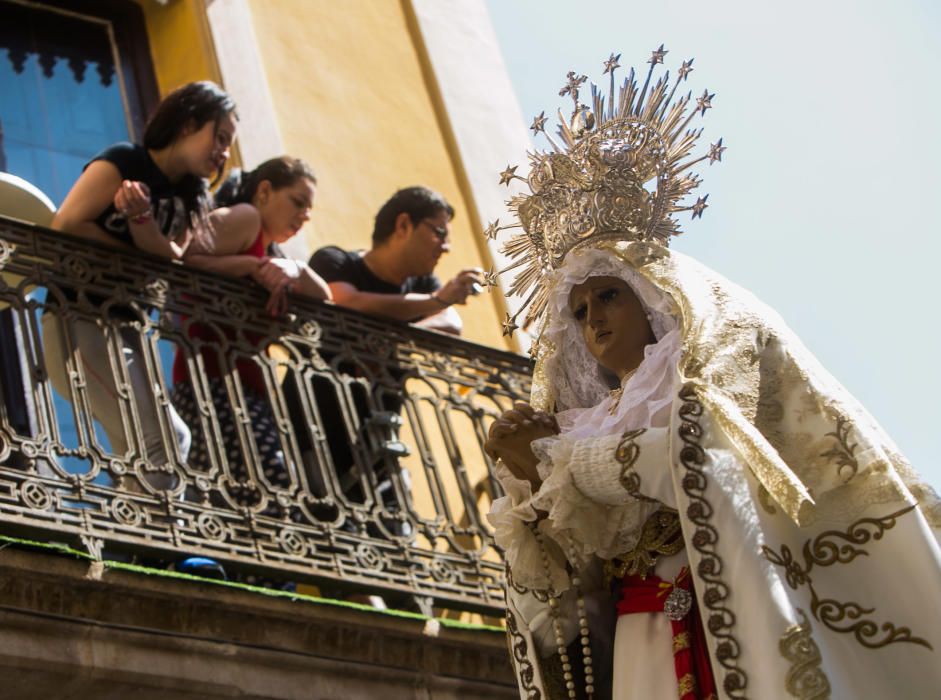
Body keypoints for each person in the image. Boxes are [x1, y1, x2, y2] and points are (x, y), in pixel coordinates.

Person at [485, 50, 941, 700]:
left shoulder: (708, 366)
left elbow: (701, 460)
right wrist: (528, 483)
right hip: (644, 630)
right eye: (580, 311)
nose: (592, 321)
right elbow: (576, 558)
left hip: (727, 602)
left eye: (608, 297)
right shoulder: (590, 423)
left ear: (649, 296)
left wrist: (555, 458)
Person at [44, 80, 238, 490]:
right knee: (155, 442)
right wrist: (135, 247)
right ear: (188, 124)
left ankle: (135, 545)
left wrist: (142, 221)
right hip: (78, 319)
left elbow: (170, 258)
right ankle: (165, 548)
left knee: (163, 442)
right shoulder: (124, 160)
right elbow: (65, 225)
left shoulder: (193, 195)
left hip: (127, 331)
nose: (224, 154)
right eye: (220, 138)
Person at [170, 156, 331, 515]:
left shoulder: (271, 252)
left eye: (309, 209)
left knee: (247, 498)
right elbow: (184, 257)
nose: (304, 215)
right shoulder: (246, 217)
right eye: (298, 202)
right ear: (264, 191)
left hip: (240, 389)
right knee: (264, 493)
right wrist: (249, 267)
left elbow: (326, 298)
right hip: (210, 385)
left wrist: (295, 268)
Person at [309, 185, 482, 335]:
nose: (446, 248)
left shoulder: (425, 283)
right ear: (403, 225)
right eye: (440, 233)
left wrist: (395, 341)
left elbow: (451, 322)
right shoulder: (334, 261)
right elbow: (346, 302)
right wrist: (435, 301)